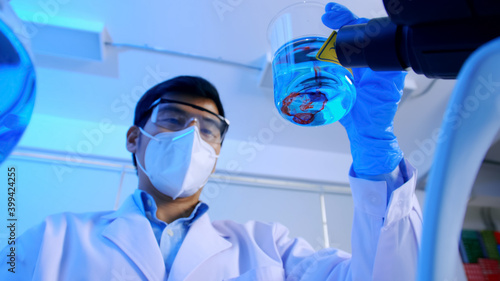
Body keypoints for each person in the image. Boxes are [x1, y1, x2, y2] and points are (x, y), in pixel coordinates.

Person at [0, 3, 422, 280]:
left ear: (217, 152)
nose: (192, 136)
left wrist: (374, 152)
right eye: (172, 118)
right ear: (135, 137)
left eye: (209, 129)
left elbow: (389, 275)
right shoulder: (52, 239)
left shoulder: (270, 248)